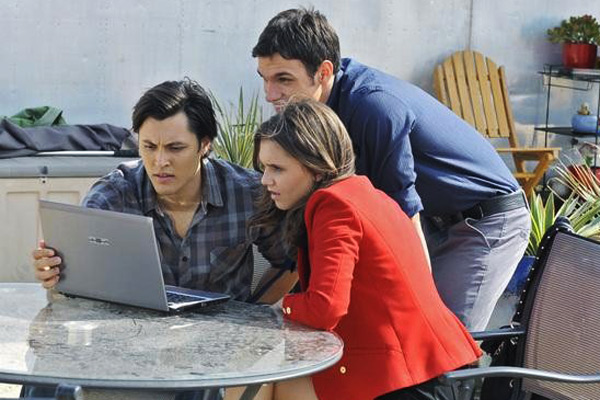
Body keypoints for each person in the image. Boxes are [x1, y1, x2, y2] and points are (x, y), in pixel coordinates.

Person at [252, 8, 531, 331]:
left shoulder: (374, 107)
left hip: (484, 221)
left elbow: (403, 214)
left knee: (443, 337)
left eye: (283, 79)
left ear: (324, 71)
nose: (270, 95)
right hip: (435, 216)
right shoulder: (318, 113)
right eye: (265, 79)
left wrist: (422, 312)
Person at [28, 78, 293, 400]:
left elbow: (288, 263)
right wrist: (55, 271)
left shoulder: (247, 194)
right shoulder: (115, 194)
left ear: (205, 144)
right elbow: (76, 287)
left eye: (175, 148)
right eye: (149, 147)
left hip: (213, 355)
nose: (160, 162)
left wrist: (249, 314)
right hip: (129, 350)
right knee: (44, 382)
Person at [225, 99, 481, 400]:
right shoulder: (363, 192)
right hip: (432, 370)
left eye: (277, 169)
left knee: (251, 378)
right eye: (263, 168)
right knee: (260, 379)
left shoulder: (334, 206)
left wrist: (283, 306)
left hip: (405, 384)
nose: (265, 180)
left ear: (316, 168)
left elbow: (325, 308)